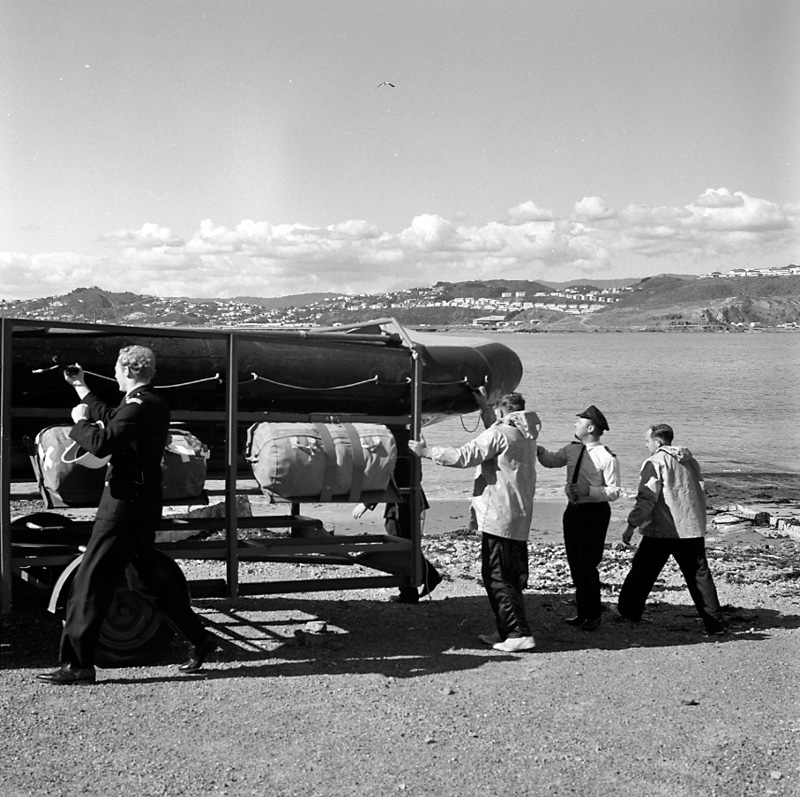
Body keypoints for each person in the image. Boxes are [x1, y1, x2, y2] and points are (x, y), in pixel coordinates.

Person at [37, 345, 219, 685]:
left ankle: (78, 665)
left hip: (124, 505)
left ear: (128, 371)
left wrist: (78, 423)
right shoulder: (143, 403)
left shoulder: (141, 405)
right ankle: (201, 638)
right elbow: (111, 417)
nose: (116, 376)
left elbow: (104, 441)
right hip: (139, 501)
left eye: (118, 371)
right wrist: (81, 386)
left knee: (90, 579)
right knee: (144, 579)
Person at [408, 392, 541, 652]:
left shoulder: (500, 433)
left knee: (497, 576)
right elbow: (496, 429)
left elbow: (465, 456)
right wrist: (484, 407)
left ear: (503, 410)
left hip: (499, 515)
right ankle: (507, 629)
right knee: (510, 575)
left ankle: (518, 632)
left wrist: (426, 451)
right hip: (518, 514)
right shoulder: (527, 433)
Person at [616, 424, 725, 635]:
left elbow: (647, 498)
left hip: (664, 528)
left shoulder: (655, 462)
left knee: (642, 571)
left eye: (647, 441)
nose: (645, 445)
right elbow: (698, 490)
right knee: (699, 576)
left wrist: (632, 524)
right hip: (691, 526)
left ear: (657, 442)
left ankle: (628, 612)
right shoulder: (689, 461)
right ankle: (715, 623)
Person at [537, 405, 621, 631]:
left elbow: (614, 492)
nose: (575, 425)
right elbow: (551, 460)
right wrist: (535, 448)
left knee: (587, 564)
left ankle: (593, 615)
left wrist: (589, 491)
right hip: (573, 510)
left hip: (595, 512)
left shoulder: (606, 457)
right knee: (575, 563)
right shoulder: (572, 450)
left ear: (591, 427)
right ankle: (582, 612)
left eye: (580, 422)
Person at [352, 491, 443, 603]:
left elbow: (385, 477)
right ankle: (410, 592)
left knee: (400, 545)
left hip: (402, 503)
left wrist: (366, 503)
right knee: (404, 544)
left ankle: (428, 577)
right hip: (407, 500)